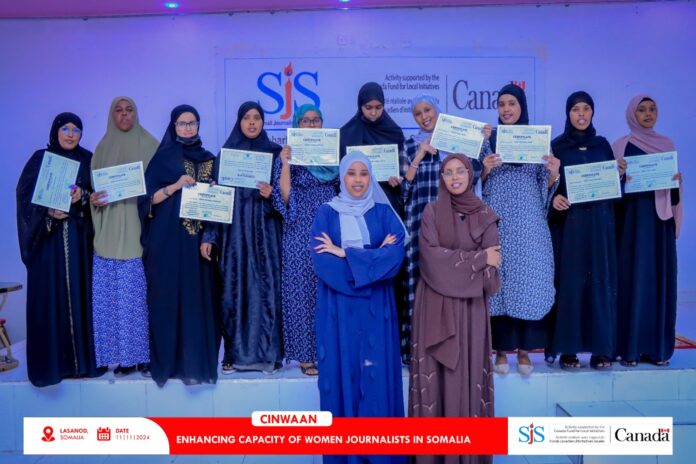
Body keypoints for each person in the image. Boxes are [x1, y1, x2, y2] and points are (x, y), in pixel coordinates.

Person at [311, 151, 406, 464]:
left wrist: (345, 253)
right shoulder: (326, 212)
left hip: (377, 312)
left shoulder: (383, 212)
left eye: (363, 173)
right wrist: (369, 260)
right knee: (342, 377)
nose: (357, 180)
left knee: (376, 378)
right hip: (338, 310)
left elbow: (394, 258)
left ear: (371, 177)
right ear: (342, 176)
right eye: (351, 173)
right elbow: (322, 260)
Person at [409, 154, 500, 464]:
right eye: (448, 172)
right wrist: (477, 259)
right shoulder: (432, 212)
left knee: (468, 374)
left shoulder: (487, 215)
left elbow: (493, 274)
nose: (455, 176)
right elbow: (431, 261)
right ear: (442, 178)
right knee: (436, 380)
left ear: (470, 174)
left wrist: (472, 264)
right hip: (434, 306)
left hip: (470, 310)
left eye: (460, 170)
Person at [16, 112, 106, 387]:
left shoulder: (89, 160)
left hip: (79, 243)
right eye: (65, 128)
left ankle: (83, 364)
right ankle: (54, 366)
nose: (70, 134)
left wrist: (84, 197)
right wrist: (47, 214)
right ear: (55, 130)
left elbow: (100, 198)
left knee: (82, 296)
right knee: (50, 299)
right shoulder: (39, 160)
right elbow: (25, 199)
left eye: (76, 130)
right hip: (48, 245)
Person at [399, 95, 490, 363]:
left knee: (451, 282)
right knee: (419, 285)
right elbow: (403, 191)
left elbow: (473, 182)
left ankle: (453, 349)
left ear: (438, 111)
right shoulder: (408, 145)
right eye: (417, 113)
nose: (424, 116)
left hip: (454, 225)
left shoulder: (459, 142)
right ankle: (417, 351)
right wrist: (419, 155)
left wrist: (482, 142)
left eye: (428, 110)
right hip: (418, 224)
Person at [479, 84, 560, 375]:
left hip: (529, 225)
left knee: (528, 281)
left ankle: (524, 352)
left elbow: (545, 185)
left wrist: (553, 173)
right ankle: (501, 350)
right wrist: (484, 169)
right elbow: (476, 186)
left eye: (512, 103)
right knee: (499, 282)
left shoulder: (538, 140)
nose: (506, 109)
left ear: (522, 107)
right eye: (501, 104)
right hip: (498, 222)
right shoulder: (488, 141)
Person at [138, 104, 219, 386]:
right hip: (168, 242)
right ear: (174, 126)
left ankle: (196, 363)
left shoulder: (210, 158)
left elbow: (219, 205)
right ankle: (169, 362)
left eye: (193, 123)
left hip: (199, 244)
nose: (188, 128)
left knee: (198, 301)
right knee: (168, 299)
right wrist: (174, 186)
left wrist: (209, 237)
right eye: (182, 123)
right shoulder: (162, 159)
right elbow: (147, 201)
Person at [201, 101, 283, 374]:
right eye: (246, 118)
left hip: (265, 233)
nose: (251, 123)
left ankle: (267, 356)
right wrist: (209, 236)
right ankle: (234, 356)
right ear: (239, 122)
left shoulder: (275, 154)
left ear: (263, 122)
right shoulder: (225, 156)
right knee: (232, 293)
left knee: (265, 291)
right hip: (233, 236)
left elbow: (286, 202)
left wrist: (271, 195)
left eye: (256, 118)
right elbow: (216, 199)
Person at [547, 91, 623, 370]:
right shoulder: (557, 146)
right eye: (575, 109)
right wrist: (554, 196)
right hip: (570, 226)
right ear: (567, 113)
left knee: (600, 284)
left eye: (586, 109)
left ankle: (601, 349)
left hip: (600, 226)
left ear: (593, 113)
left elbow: (614, 190)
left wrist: (620, 177)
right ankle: (568, 348)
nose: (581, 114)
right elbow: (548, 187)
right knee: (570, 284)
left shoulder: (603, 146)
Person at [612, 95, 683, 366]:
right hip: (630, 228)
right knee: (631, 283)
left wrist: (676, 182)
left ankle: (657, 350)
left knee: (657, 284)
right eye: (642, 110)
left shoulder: (666, 145)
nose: (648, 114)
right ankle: (628, 349)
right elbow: (611, 193)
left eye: (652, 109)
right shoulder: (620, 147)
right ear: (632, 114)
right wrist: (617, 176)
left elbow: (673, 195)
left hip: (658, 226)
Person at [90, 96, 158, 377]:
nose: (124, 115)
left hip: (137, 232)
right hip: (107, 234)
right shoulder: (101, 148)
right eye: (118, 111)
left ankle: (139, 357)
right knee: (108, 301)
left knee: (135, 301)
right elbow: (91, 191)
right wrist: (92, 199)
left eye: (129, 110)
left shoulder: (152, 146)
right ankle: (116, 358)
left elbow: (161, 187)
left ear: (137, 114)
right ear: (111, 116)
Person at [271, 104, 338, 376]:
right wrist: (286, 162)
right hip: (299, 225)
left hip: (329, 223)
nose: (311, 125)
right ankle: (306, 355)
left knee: (329, 286)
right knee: (301, 289)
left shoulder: (331, 154)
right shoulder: (287, 155)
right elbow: (284, 196)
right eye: (306, 120)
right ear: (297, 124)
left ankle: (330, 350)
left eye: (316, 120)